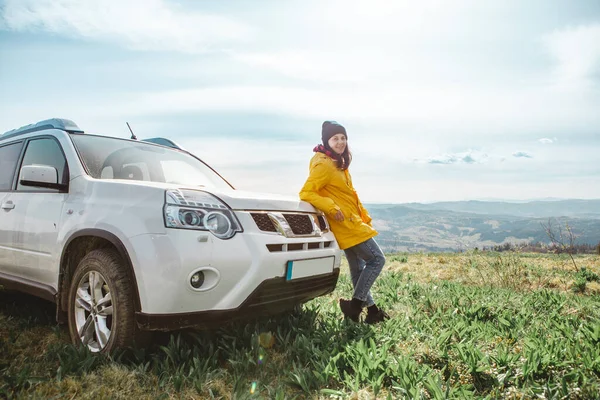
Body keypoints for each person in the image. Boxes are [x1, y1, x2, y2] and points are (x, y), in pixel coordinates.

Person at [299, 121, 389, 324]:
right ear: (326, 141)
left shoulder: (337, 162)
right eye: (335, 138)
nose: (340, 142)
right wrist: (331, 207)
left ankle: (372, 312)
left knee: (358, 270)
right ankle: (354, 307)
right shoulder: (324, 164)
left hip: (351, 222)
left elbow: (349, 196)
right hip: (346, 225)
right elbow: (306, 192)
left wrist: (364, 217)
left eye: (343, 138)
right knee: (377, 260)